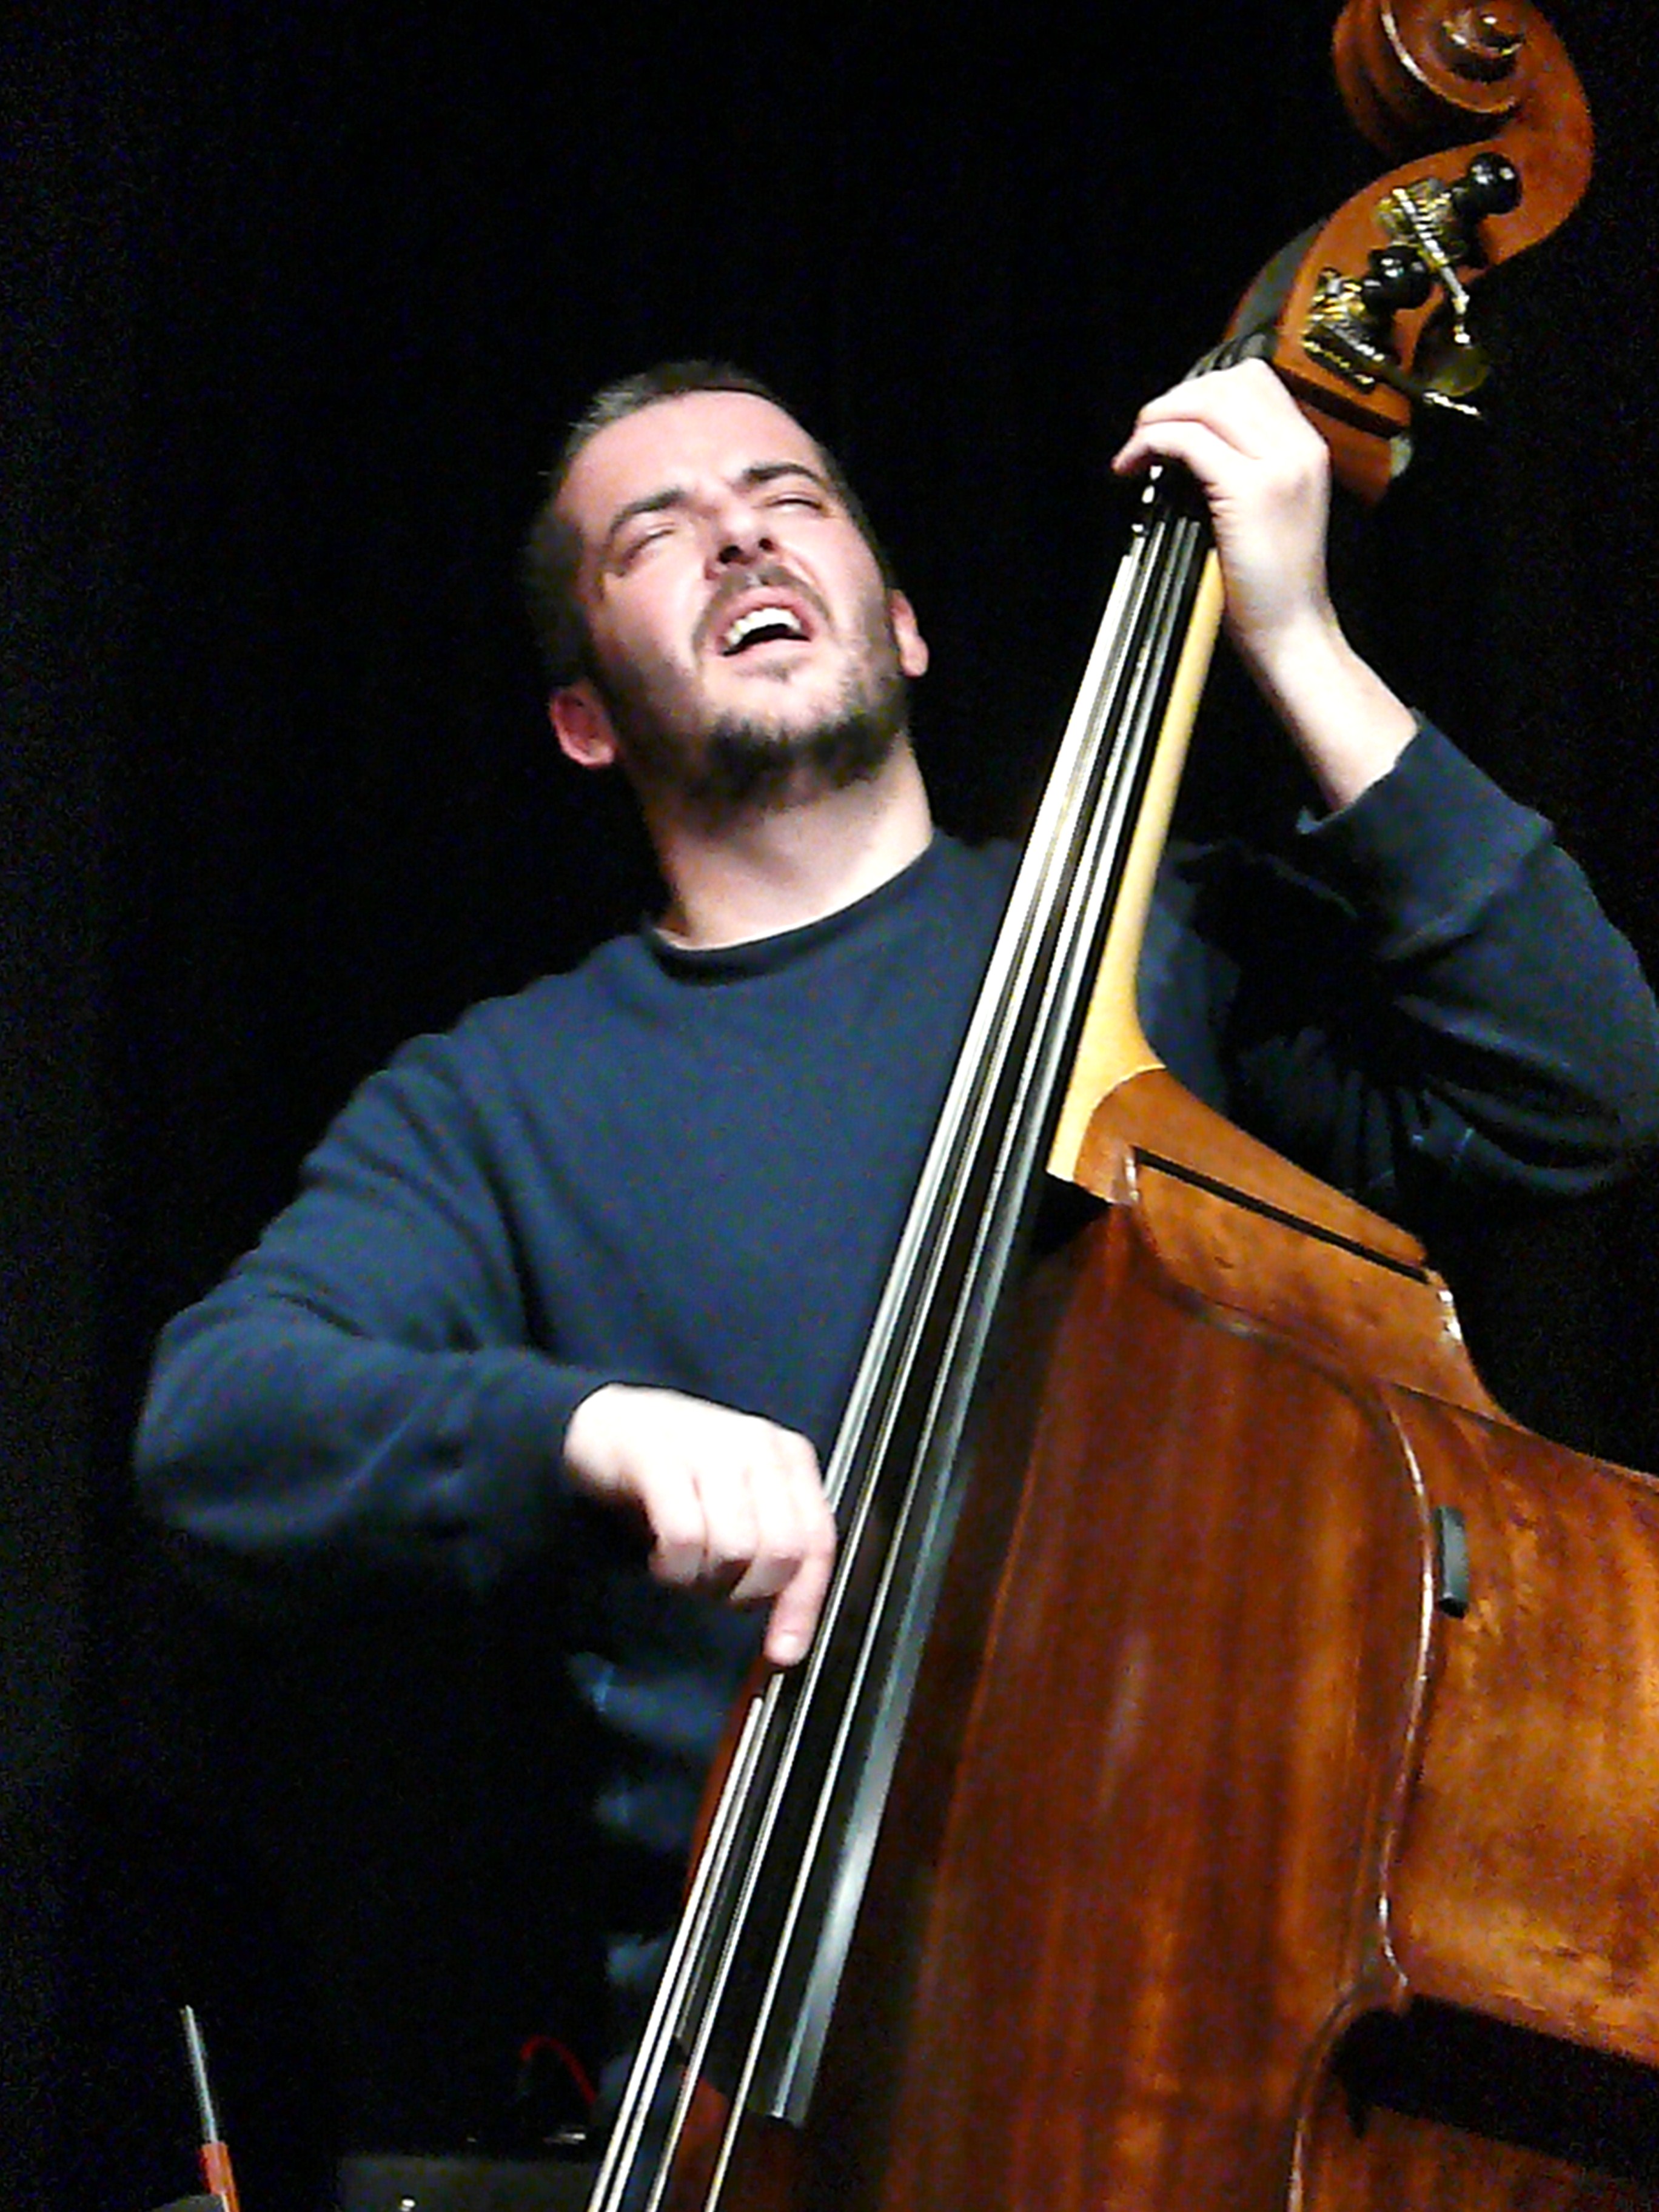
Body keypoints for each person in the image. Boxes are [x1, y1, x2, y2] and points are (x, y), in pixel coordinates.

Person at [135, 357, 1659, 2153]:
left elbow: (1580, 1087)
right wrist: (594, 1432)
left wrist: (1300, 640)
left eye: (789, 500)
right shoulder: (500, 1101)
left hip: (1204, 2064)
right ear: (585, 720)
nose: (736, 537)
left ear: (906, 626)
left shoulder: (1156, 973)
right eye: (657, 532)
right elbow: (217, 1427)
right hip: (765, 2115)